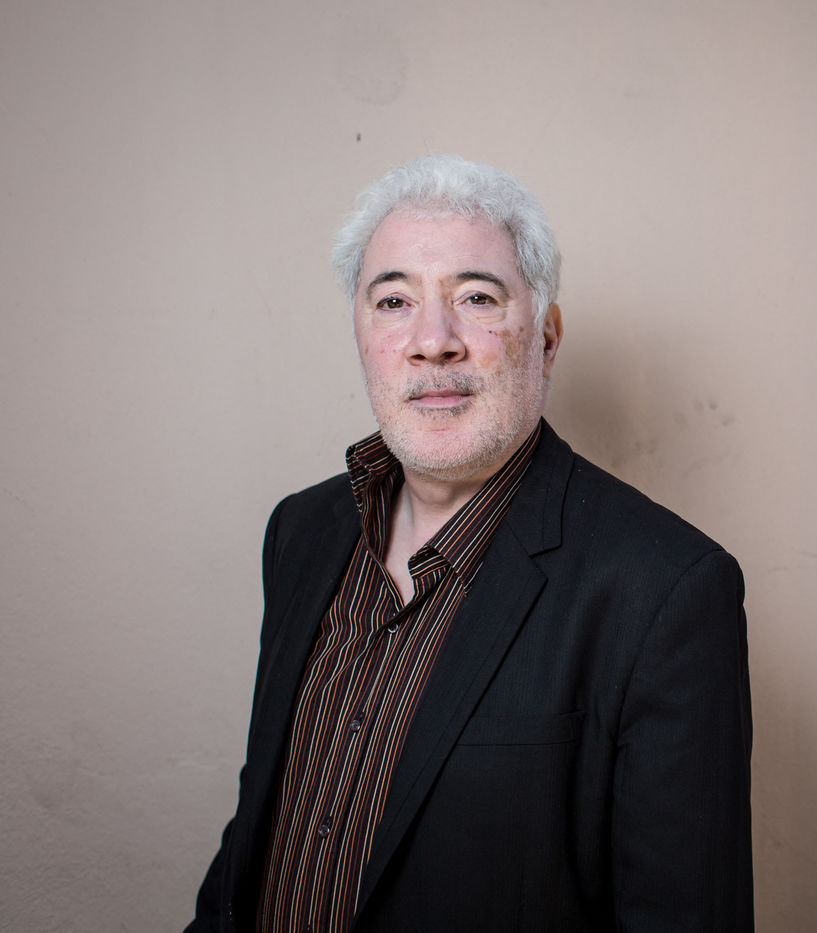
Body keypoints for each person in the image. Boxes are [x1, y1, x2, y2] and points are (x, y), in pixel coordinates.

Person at [187, 155, 753, 932]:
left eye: (476, 297)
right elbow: (259, 831)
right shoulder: (301, 533)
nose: (433, 341)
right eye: (393, 300)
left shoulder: (666, 589)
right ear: (361, 334)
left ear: (546, 339)